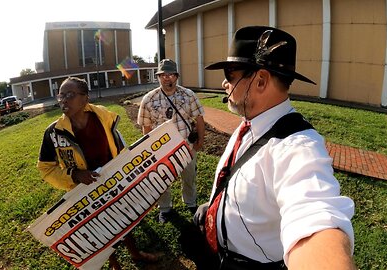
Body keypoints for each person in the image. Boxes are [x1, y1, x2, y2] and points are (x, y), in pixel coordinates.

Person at [194, 26, 356, 269]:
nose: (224, 83)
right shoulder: (251, 121)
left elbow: (315, 216)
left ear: (260, 81)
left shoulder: (297, 147)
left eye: (230, 74)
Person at [37, 77, 158, 270]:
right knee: (102, 230)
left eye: (70, 95)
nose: (63, 100)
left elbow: (120, 148)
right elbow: (45, 167)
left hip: (114, 183)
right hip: (86, 193)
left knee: (125, 220)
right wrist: (75, 175)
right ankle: (114, 265)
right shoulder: (53, 133)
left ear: (85, 99)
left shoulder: (103, 118)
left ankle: (136, 254)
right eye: (61, 95)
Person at [138, 59, 206, 223]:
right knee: (161, 181)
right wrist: (150, 149)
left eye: (170, 74)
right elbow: (146, 127)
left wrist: (200, 141)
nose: (167, 78)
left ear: (176, 76)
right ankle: (165, 208)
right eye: (163, 75)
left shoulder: (188, 95)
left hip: (187, 146)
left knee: (189, 177)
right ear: (158, 77)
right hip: (162, 151)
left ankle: (190, 203)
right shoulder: (149, 99)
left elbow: (199, 120)